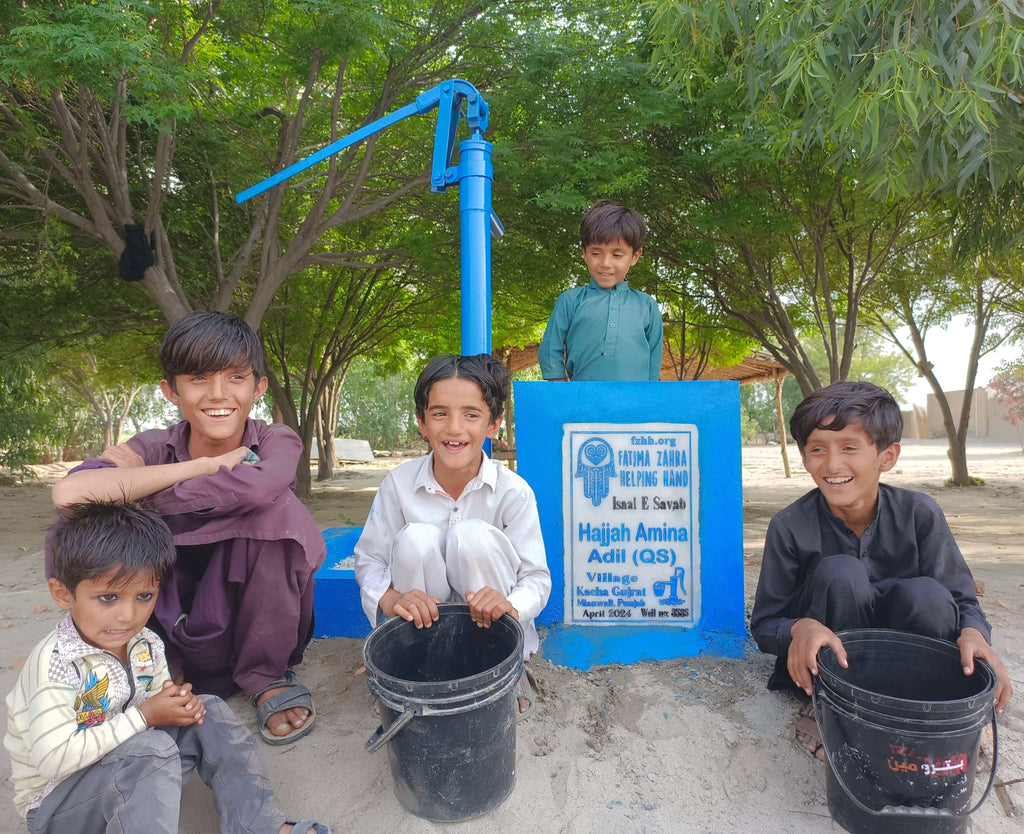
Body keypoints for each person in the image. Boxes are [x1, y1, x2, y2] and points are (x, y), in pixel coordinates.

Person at [48, 312, 325, 746]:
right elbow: (71, 495)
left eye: (236, 377)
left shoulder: (276, 439)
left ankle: (264, 675)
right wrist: (207, 466)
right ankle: (141, 665)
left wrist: (142, 495)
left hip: (247, 612)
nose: (219, 394)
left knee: (280, 515)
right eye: (198, 377)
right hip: (164, 608)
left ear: (259, 387)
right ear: (171, 390)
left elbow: (259, 491)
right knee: (79, 524)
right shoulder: (152, 446)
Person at [5, 501, 331, 834]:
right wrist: (145, 716)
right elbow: (53, 759)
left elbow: (156, 706)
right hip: (58, 804)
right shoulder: (57, 665)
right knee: (151, 749)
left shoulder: (145, 643)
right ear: (63, 593)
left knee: (210, 710)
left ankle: (258, 823)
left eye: (144, 596)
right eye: (108, 598)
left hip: (132, 766)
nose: (128, 615)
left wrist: (176, 703)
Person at [749, 381, 1012, 756]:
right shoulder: (789, 525)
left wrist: (976, 635)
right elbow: (764, 625)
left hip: (906, 662)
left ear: (887, 456)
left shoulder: (920, 513)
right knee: (842, 573)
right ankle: (831, 710)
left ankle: (921, 709)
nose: (833, 464)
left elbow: (960, 599)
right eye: (818, 449)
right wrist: (800, 627)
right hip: (825, 669)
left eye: (850, 448)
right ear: (804, 458)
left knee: (928, 595)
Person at [353, 354, 551, 716]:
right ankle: (425, 666)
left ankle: (505, 667)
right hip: (425, 626)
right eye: (440, 413)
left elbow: (535, 578)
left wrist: (509, 605)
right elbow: (369, 560)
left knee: (472, 535)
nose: (455, 428)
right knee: (415, 539)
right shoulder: (398, 485)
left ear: (494, 424)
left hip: (491, 625)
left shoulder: (513, 491)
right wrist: (393, 598)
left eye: (471, 415)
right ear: (422, 423)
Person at [538, 199, 664, 381]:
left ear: (635, 256)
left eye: (617, 255)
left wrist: (648, 400)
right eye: (596, 253)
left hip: (634, 403)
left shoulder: (647, 306)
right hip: (582, 402)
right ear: (584, 253)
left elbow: (654, 360)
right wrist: (563, 393)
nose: (606, 264)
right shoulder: (570, 301)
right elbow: (550, 351)